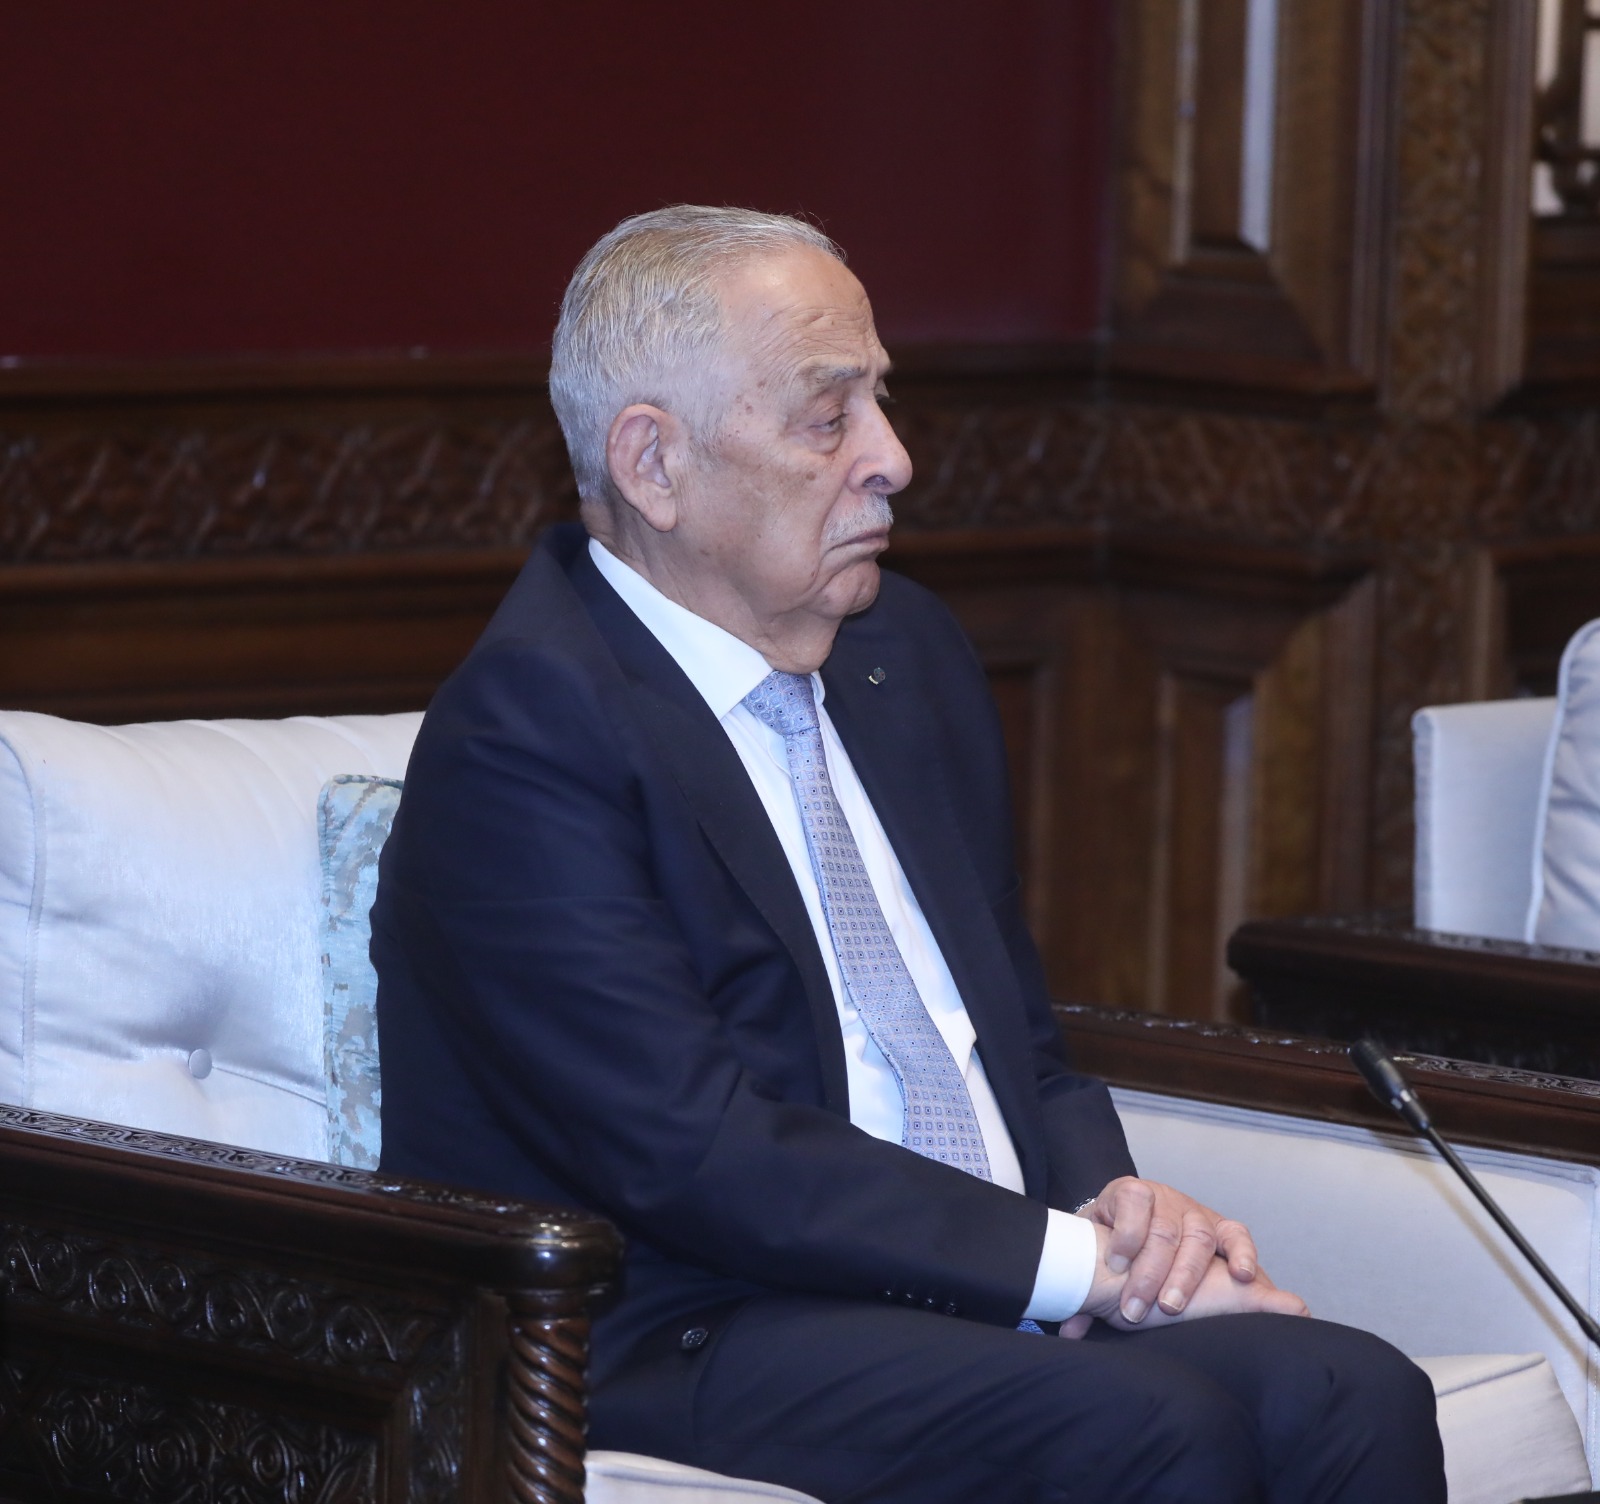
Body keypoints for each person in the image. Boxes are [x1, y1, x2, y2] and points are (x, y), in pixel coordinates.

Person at [372, 205, 1445, 1502]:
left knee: (1352, 1391)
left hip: (961, 1284)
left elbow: (1014, 1041)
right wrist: (1073, 1268)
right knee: (1149, 1424)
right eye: (829, 419)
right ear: (654, 463)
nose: (893, 459)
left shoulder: (904, 654)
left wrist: (1116, 1206)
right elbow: (694, 1150)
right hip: (683, 1319)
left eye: (881, 402)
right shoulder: (525, 733)